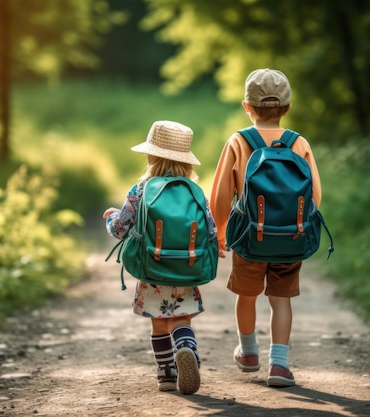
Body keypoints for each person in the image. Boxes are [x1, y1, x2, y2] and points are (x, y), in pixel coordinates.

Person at [209, 69, 322, 387]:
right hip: (290, 236)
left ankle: (248, 353)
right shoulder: (298, 143)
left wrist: (219, 231)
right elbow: (315, 194)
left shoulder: (238, 141)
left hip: (248, 237)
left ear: (247, 106)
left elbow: (221, 194)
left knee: (247, 294)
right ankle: (280, 366)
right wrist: (299, 226)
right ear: (286, 107)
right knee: (280, 299)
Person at [103, 120, 216, 395]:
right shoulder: (195, 191)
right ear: (186, 162)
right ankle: (186, 347)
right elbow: (210, 230)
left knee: (159, 321)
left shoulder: (141, 190)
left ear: (151, 156)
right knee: (181, 318)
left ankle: (166, 374)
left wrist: (109, 218)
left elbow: (121, 229)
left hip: (152, 268)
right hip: (187, 268)